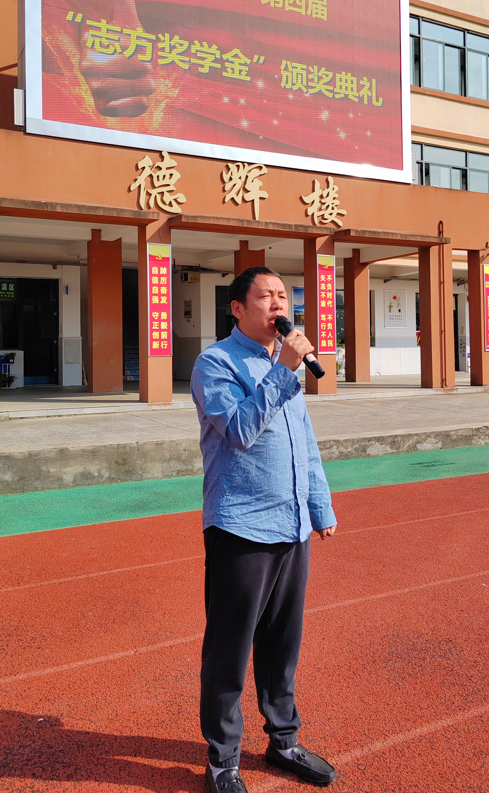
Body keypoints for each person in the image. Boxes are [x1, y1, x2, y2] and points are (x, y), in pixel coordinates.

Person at [190, 266, 338, 793]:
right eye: (266, 295)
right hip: (242, 526)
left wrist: (319, 506)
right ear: (237, 307)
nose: (278, 304)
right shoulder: (215, 363)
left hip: (291, 524)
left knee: (282, 645)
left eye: (283, 295)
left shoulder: (284, 365)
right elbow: (239, 431)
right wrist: (285, 371)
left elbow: (304, 442)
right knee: (229, 650)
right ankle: (222, 760)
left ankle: (283, 740)